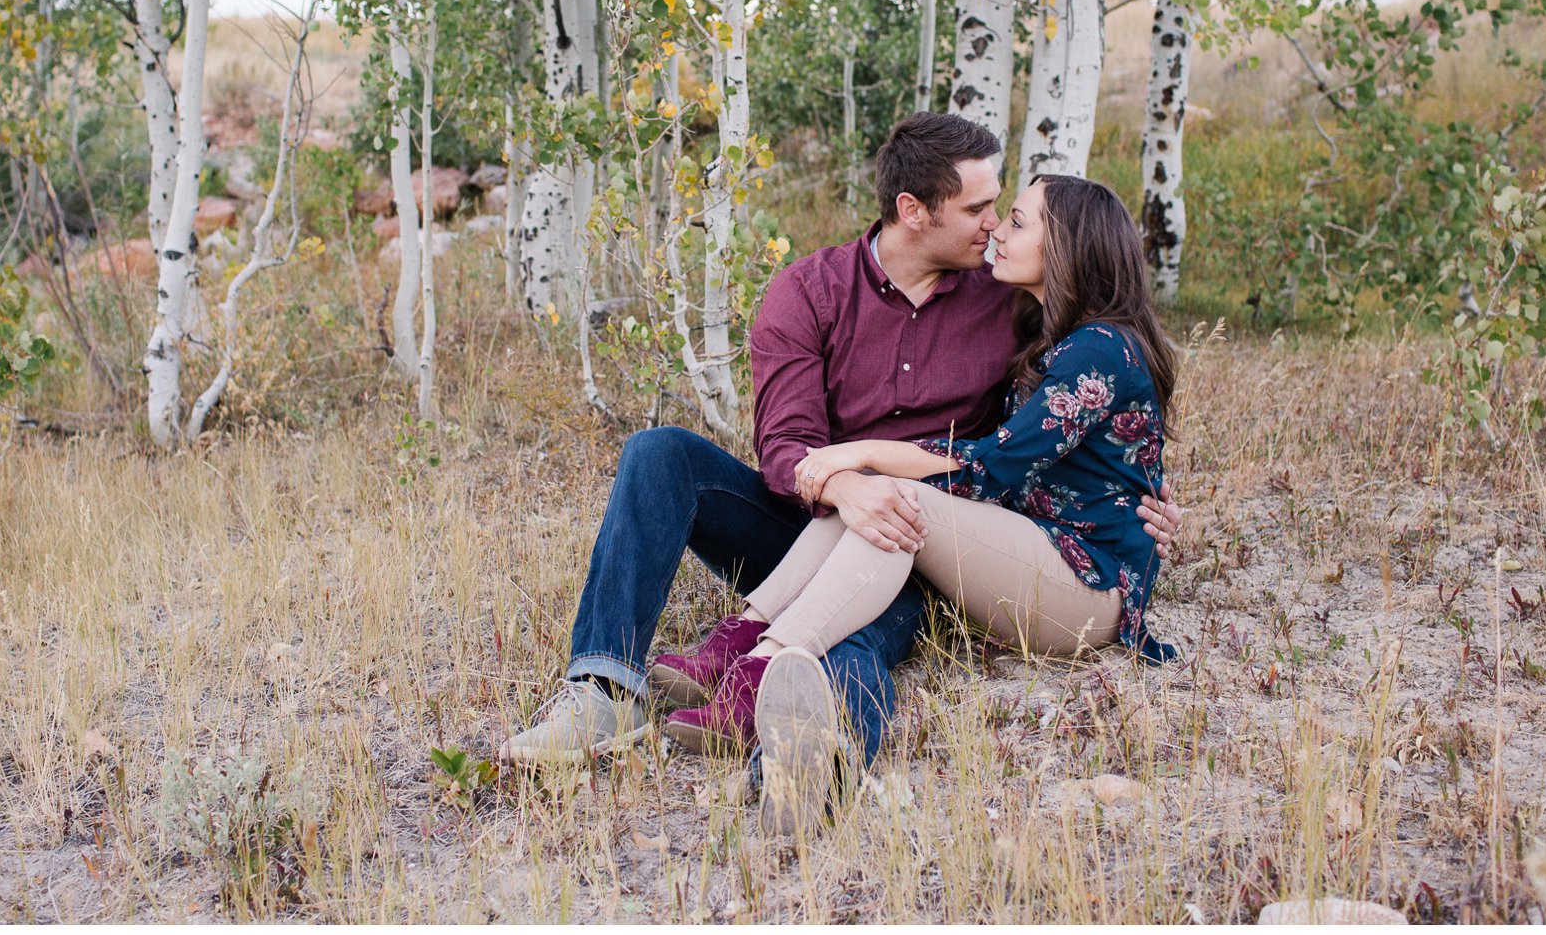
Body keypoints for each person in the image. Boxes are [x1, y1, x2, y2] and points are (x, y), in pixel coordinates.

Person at [497, 116, 1183, 825]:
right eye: (979, 209)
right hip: (816, 521)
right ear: (914, 210)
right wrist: (849, 488)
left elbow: (1092, 407)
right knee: (658, 453)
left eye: (1002, 212)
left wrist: (1149, 501)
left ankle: (809, 766)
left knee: (853, 636)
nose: (991, 227)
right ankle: (604, 690)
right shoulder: (811, 290)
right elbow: (787, 448)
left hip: (933, 547)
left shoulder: (1008, 297)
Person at [654, 174, 1181, 838]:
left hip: (1089, 585)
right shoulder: (1056, 337)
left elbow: (989, 467)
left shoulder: (1100, 349)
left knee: (894, 492)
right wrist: (864, 467)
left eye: (1017, 221)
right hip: (1037, 555)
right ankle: (745, 636)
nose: (998, 229)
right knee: (878, 495)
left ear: (1068, 245)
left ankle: (760, 665)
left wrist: (856, 452)